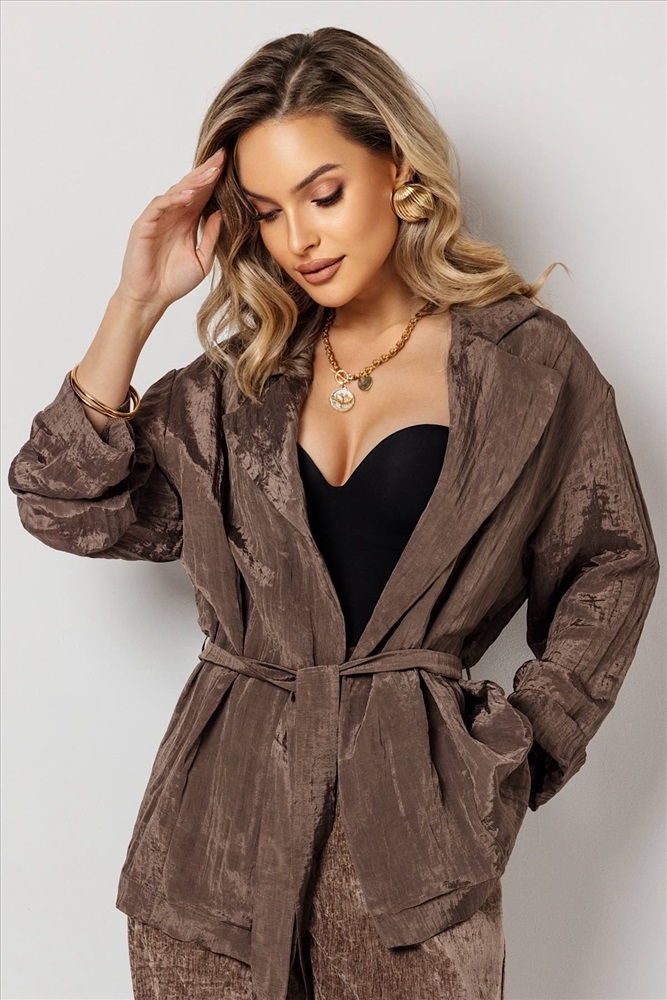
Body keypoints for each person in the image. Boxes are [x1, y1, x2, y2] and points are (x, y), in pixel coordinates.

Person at [7, 26, 659, 1000]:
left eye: (324, 194)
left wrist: (515, 750)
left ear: (397, 168)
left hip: (413, 857)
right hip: (214, 855)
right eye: (267, 211)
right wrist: (136, 301)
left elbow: (612, 560)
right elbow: (62, 502)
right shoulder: (234, 385)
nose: (298, 240)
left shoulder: (525, 368)